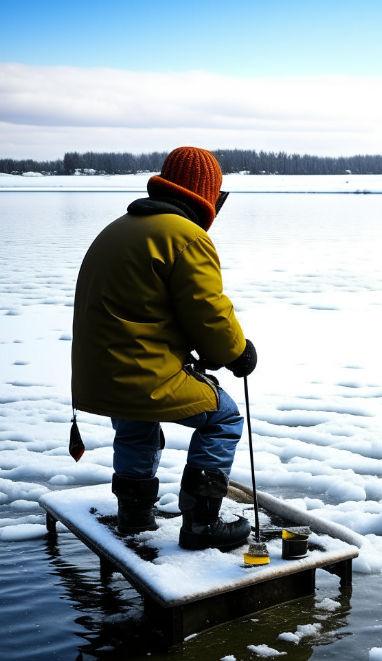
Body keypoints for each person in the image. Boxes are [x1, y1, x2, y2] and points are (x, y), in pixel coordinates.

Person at [71, 147, 255, 551]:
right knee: (223, 417)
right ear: (208, 195)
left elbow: (145, 310)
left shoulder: (118, 228)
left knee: (137, 421)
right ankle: (203, 522)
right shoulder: (186, 236)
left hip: (101, 377)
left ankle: (134, 515)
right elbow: (209, 314)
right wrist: (238, 352)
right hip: (141, 374)